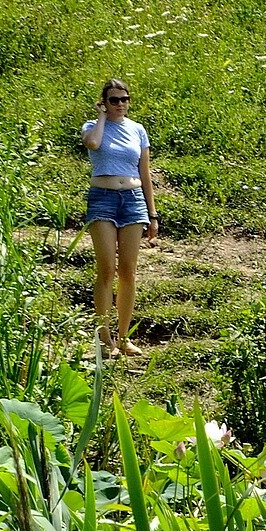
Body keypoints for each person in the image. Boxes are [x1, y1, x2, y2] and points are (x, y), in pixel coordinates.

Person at [81, 78, 158, 357]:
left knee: (128, 271)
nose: (120, 105)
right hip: (103, 199)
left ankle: (124, 338)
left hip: (134, 200)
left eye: (124, 99)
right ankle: (105, 340)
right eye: (114, 100)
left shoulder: (138, 129)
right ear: (104, 102)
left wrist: (153, 213)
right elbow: (92, 143)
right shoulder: (93, 127)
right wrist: (101, 117)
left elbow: (145, 172)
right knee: (106, 269)